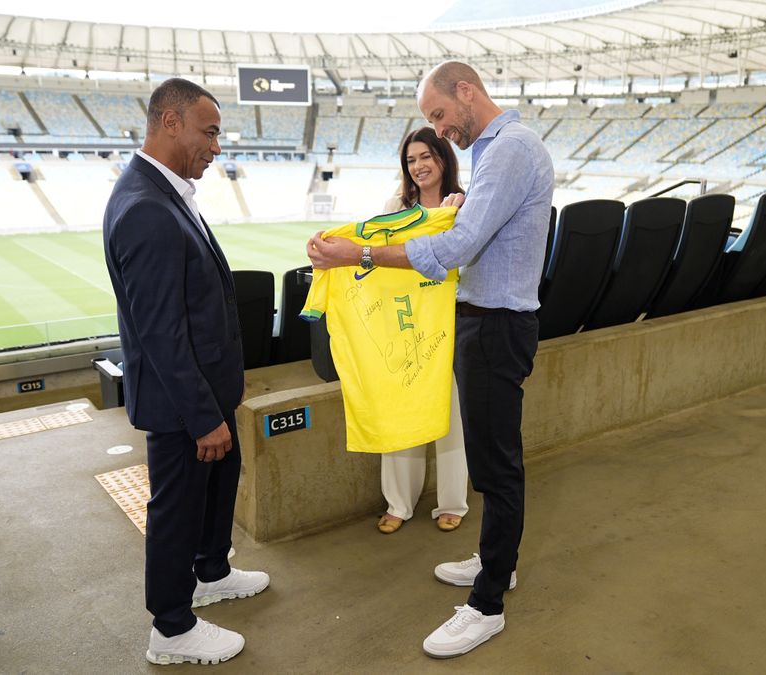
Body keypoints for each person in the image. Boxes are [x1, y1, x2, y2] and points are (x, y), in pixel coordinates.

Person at [307, 61, 554, 658]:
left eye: (439, 116)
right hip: (484, 323)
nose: (439, 132)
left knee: (497, 467)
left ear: (466, 92)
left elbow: (457, 247)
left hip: (497, 327)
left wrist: (359, 253)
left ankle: (488, 602)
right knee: (492, 461)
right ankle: (498, 562)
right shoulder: (495, 152)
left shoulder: (511, 150)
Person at [103, 78, 269, 667]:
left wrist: (228, 384)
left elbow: (203, 306)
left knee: (219, 488)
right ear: (170, 123)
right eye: (210, 131)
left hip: (207, 389)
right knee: (176, 508)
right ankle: (171, 629)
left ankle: (211, 572)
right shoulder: (146, 206)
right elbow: (162, 332)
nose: (217, 147)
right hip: (182, 405)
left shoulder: (166, 193)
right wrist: (204, 416)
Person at [377, 127, 469, 535]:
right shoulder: (393, 206)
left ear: (443, 159)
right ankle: (399, 502)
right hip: (406, 324)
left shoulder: (466, 206)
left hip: (452, 324)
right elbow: (375, 259)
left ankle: (453, 502)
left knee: (453, 418)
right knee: (402, 414)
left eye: (425, 157)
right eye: (411, 160)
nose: (418, 167)